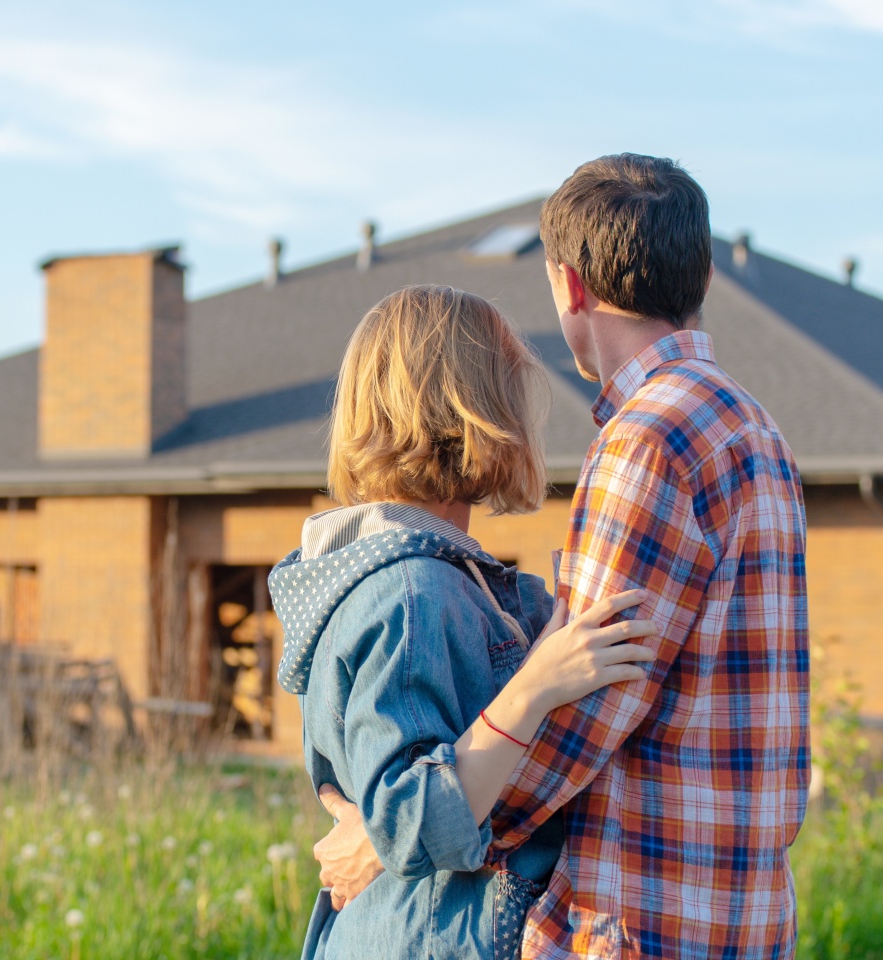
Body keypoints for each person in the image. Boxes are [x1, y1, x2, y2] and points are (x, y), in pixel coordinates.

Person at [315, 154, 812, 959]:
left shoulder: (647, 439)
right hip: (740, 902)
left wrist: (395, 833)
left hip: (645, 908)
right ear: (705, 275)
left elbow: (587, 707)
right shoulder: (754, 427)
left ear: (569, 285)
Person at [268, 283, 659, 960]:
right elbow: (409, 817)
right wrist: (535, 687)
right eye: (510, 390)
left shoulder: (445, 577)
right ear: (474, 409)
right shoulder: (412, 593)